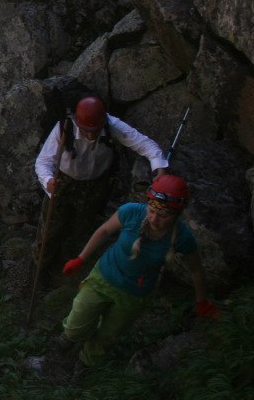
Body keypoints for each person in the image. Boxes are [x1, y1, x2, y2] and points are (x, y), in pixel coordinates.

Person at [58, 173, 219, 367]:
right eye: (152, 211)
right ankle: (71, 335)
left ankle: (87, 362)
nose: (154, 219)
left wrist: (202, 302)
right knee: (78, 319)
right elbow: (105, 230)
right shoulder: (132, 212)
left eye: (163, 215)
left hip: (134, 294)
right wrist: (80, 258)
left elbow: (196, 270)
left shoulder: (182, 237)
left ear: (176, 214)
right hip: (104, 277)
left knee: (108, 334)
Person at [33, 96, 169, 277]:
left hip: (95, 186)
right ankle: (39, 270)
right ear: (77, 123)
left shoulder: (111, 125)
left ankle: (67, 270)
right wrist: (48, 181)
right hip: (63, 183)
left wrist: (159, 168)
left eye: (95, 131)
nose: (91, 135)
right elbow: (43, 162)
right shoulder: (64, 127)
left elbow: (144, 144)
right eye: (86, 131)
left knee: (81, 228)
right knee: (49, 230)